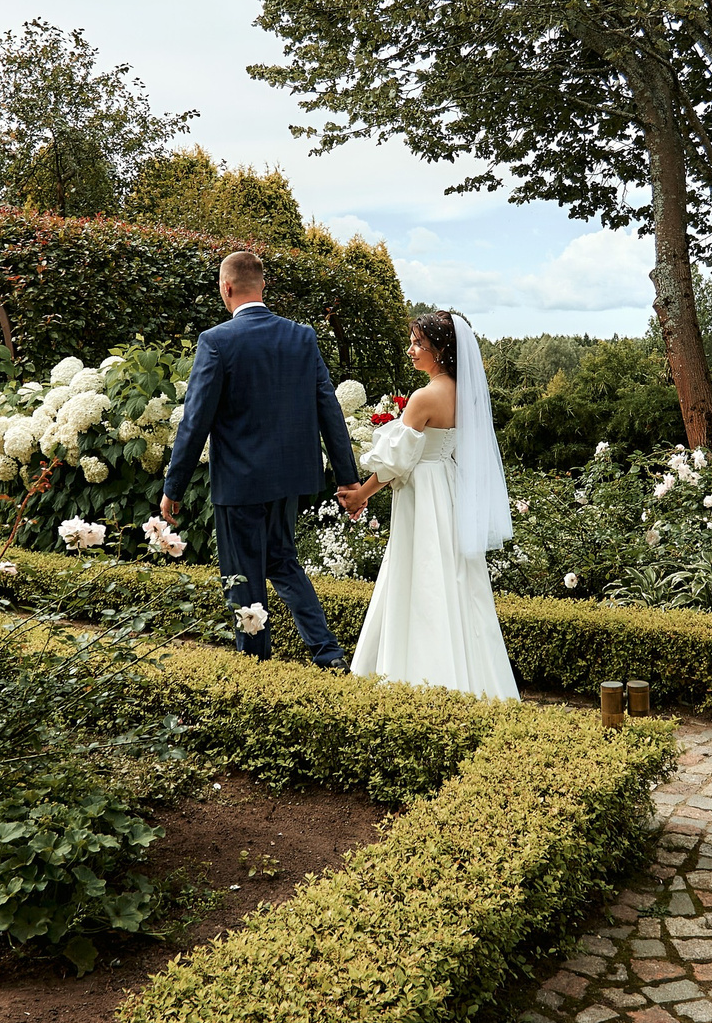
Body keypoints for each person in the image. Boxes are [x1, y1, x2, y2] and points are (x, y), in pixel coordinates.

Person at [159, 251, 363, 668]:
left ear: (226, 288)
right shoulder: (301, 337)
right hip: (288, 480)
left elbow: (195, 422)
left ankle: (254, 670)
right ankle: (328, 655)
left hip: (240, 485)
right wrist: (348, 478)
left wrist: (172, 488)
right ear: (262, 285)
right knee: (281, 562)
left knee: (242, 581)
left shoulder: (216, 341)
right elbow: (329, 408)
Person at [335, 308, 519, 698]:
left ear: (441, 349)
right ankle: (473, 678)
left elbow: (395, 463)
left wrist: (359, 495)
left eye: (419, 343)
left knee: (420, 576)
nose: (411, 350)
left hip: (423, 493)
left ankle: (419, 675)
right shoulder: (462, 392)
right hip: (448, 490)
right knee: (455, 580)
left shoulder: (423, 397)